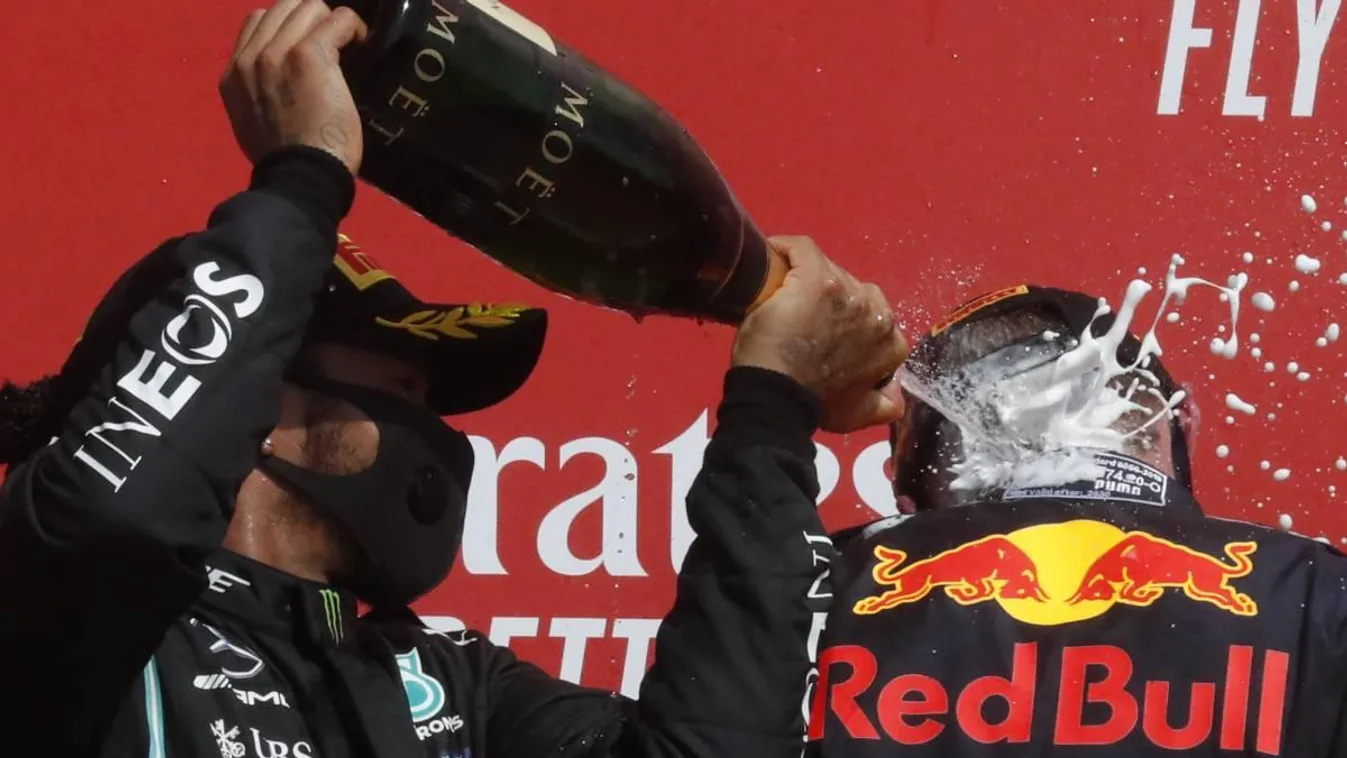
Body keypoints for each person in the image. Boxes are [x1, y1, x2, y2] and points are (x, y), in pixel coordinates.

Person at [0, 1, 909, 756]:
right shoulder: (62, 621)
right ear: (252, 407)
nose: (435, 437)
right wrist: (302, 180)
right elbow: (113, 520)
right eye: (403, 394)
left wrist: (770, 411)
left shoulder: (442, 688)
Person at [805, 284, 1347, 757]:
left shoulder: (815, 595)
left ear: (906, 495)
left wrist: (770, 408)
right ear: (1183, 426)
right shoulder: (1317, 596)